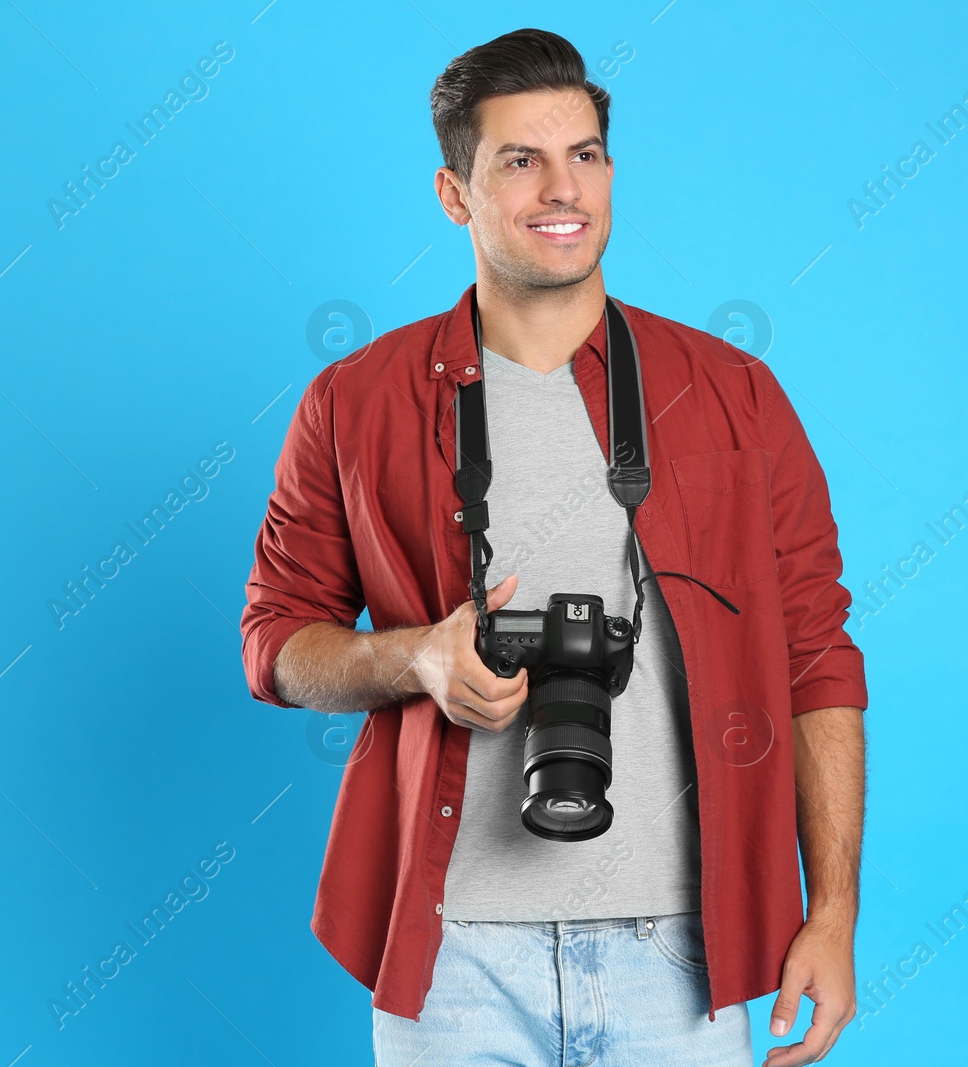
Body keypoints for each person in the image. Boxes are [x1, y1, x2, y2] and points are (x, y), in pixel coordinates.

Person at [240, 27, 868, 1067]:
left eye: (582, 154)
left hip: (683, 948)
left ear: (611, 172)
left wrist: (833, 909)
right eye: (518, 161)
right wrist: (415, 659)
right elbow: (276, 641)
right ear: (455, 192)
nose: (558, 188)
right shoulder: (353, 404)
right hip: (451, 957)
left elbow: (816, 656)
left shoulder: (732, 393)